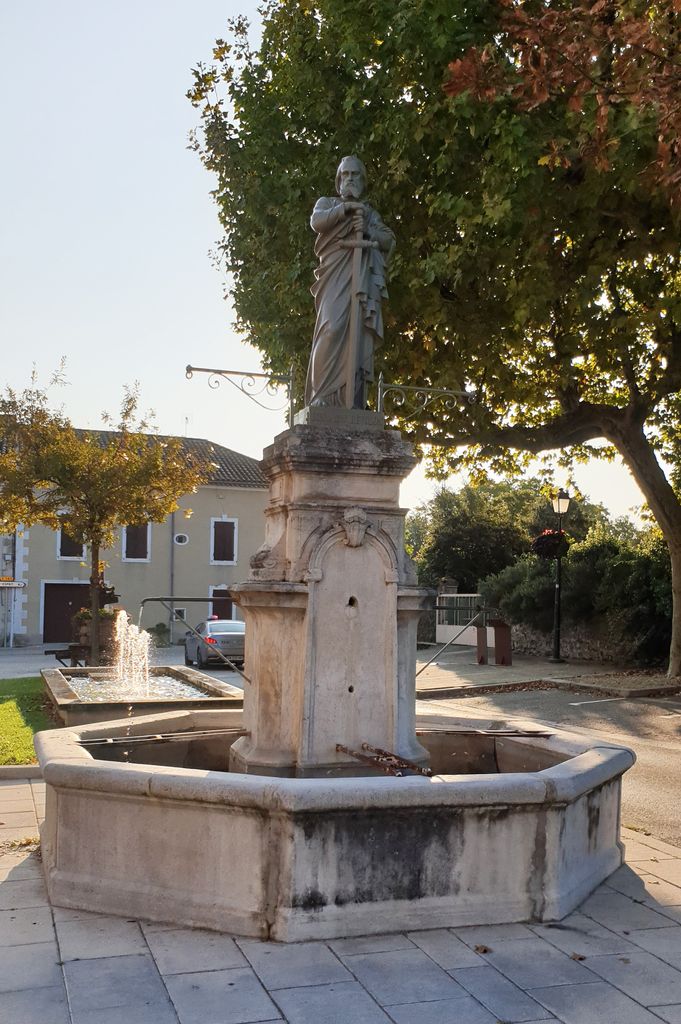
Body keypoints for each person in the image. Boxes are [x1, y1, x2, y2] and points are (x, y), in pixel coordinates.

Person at [304, 156, 395, 408]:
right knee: (332, 327)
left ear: (363, 181)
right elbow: (317, 221)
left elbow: (388, 240)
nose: (350, 179)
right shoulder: (328, 203)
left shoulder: (369, 213)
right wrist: (344, 210)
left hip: (360, 279)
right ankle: (320, 395)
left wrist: (367, 229)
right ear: (338, 180)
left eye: (355, 175)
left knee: (357, 335)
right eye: (345, 175)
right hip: (335, 274)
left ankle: (353, 399)